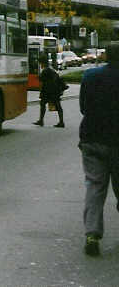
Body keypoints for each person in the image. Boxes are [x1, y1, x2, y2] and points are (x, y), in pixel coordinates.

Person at [78, 41, 119, 256]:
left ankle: (92, 234)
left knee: (95, 186)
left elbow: (84, 107)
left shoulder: (90, 76)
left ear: (105, 56)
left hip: (93, 139)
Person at [34, 57, 66, 127]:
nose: (40, 65)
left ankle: (41, 121)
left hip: (48, 91)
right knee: (57, 105)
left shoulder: (46, 70)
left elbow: (41, 79)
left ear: (42, 63)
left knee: (43, 104)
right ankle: (61, 122)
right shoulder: (51, 69)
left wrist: (38, 77)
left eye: (40, 63)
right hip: (54, 91)